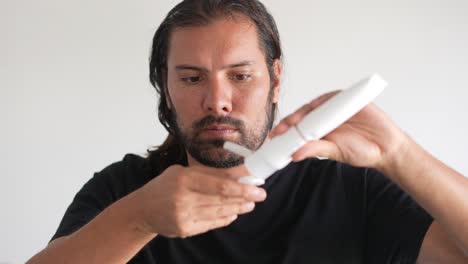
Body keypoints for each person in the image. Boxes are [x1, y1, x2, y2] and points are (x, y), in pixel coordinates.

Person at [28, 0, 468, 263]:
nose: (217, 100)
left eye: (239, 76)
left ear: (275, 78)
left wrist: (399, 154)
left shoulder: (351, 193)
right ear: (165, 86)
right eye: (192, 78)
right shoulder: (123, 190)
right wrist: (138, 218)